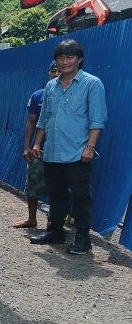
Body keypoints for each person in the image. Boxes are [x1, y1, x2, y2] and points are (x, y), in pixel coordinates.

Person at [30, 39, 107, 255]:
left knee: (81, 197)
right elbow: (43, 119)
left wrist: (90, 148)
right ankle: (56, 231)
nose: (64, 62)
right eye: (60, 58)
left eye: (70, 57)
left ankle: (83, 239)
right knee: (56, 193)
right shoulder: (50, 86)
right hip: (52, 152)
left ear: (79, 59)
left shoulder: (92, 84)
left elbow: (97, 120)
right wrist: (37, 143)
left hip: (77, 152)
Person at [14, 61, 59, 229]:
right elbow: (31, 121)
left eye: (59, 71)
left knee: (58, 185)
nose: (56, 74)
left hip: (61, 149)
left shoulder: (71, 95)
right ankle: (32, 219)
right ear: (48, 73)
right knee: (33, 183)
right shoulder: (38, 95)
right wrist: (27, 146)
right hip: (38, 149)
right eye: (53, 71)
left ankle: (54, 221)